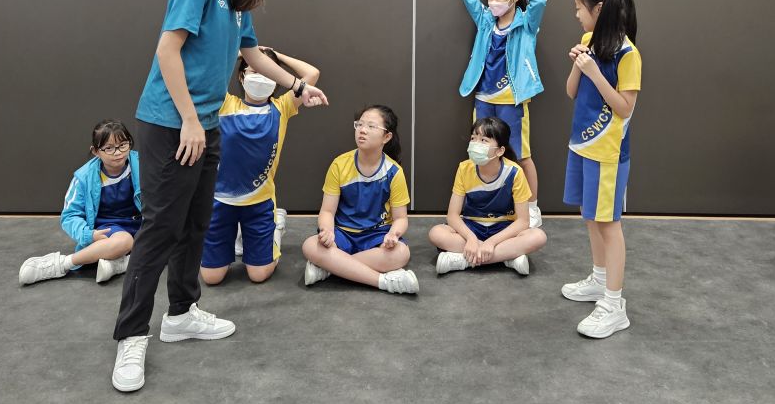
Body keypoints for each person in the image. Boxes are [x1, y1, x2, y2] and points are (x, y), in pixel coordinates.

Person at [111, 0, 329, 394]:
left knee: (195, 223)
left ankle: (181, 313)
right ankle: (131, 334)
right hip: (171, 124)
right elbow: (167, 51)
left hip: (204, 126)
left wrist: (297, 86)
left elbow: (251, 54)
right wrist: (189, 120)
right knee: (160, 229)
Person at [561, 0, 641, 339]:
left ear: (598, 9)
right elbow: (571, 92)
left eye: (579, 7)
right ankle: (598, 279)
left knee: (609, 224)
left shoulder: (629, 54)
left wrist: (594, 72)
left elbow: (624, 108)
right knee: (590, 216)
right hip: (582, 145)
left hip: (608, 153)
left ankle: (614, 305)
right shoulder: (587, 41)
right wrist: (579, 65)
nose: (576, 14)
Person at [200, 47, 321, 286]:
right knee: (211, 278)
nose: (261, 77)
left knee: (258, 275)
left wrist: (275, 55)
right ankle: (238, 237)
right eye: (254, 70)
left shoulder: (282, 107)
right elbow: (206, 67)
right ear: (241, 76)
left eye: (268, 73)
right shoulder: (224, 103)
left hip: (259, 203)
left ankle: (276, 228)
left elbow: (312, 73)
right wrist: (241, 53)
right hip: (219, 202)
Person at [459, 0, 547, 227]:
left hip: (512, 98)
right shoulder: (486, 20)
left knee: (520, 154)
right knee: (479, 152)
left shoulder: (526, 23)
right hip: (484, 97)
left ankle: (531, 208)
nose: (493, 1)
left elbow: (540, 0)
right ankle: (479, 206)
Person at [300, 105, 419, 295]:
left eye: (371, 126)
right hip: (343, 234)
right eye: (360, 124)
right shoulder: (339, 165)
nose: (362, 130)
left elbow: (401, 219)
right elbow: (327, 211)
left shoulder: (394, 172)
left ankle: (330, 268)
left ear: (386, 137)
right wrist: (327, 231)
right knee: (310, 245)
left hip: (376, 235)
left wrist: (393, 234)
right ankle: (383, 281)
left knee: (401, 253)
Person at [18, 119, 141, 287]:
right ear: (96, 151)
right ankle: (63, 264)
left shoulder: (142, 164)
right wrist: (88, 235)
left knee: (169, 239)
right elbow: (70, 215)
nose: (118, 152)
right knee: (125, 241)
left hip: (142, 225)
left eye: (123, 145)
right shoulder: (84, 177)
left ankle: (119, 264)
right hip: (109, 228)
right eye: (109, 148)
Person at [428, 116, 547, 275]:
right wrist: (471, 239)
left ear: (500, 151)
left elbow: (523, 222)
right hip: (472, 226)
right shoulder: (464, 168)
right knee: (436, 233)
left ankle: (464, 260)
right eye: (473, 138)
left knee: (538, 236)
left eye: (484, 140)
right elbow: (453, 216)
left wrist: (491, 242)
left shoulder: (515, 172)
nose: (476, 144)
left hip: (503, 229)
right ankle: (507, 257)